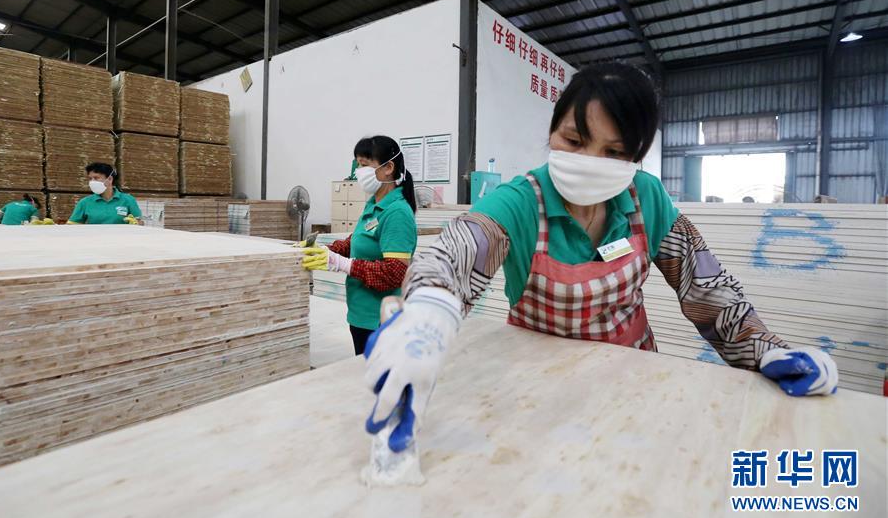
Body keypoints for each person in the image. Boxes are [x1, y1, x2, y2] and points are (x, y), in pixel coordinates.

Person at [363, 63, 839, 452]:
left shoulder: (646, 199)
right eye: (573, 141)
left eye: (613, 151)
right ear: (552, 131)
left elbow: (706, 288)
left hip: (633, 386)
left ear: (637, 155)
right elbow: (457, 251)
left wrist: (764, 348)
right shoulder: (522, 201)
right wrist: (427, 318)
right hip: (536, 392)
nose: (589, 160)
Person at [302, 136, 418, 356]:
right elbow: (357, 241)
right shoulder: (374, 204)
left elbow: (395, 272)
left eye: (364, 165)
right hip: (361, 315)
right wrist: (326, 250)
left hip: (381, 320)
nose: (358, 173)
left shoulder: (397, 213)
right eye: (358, 165)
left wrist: (343, 264)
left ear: (388, 168)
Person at [68, 162, 143, 225]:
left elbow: (140, 223)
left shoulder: (128, 200)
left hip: (121, 238)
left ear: (110, 179)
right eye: (90, 179)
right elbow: (72, 225)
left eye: (96, 178)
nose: (92, 182)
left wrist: (136, 223)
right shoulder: (85, 202)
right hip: (95, 238)